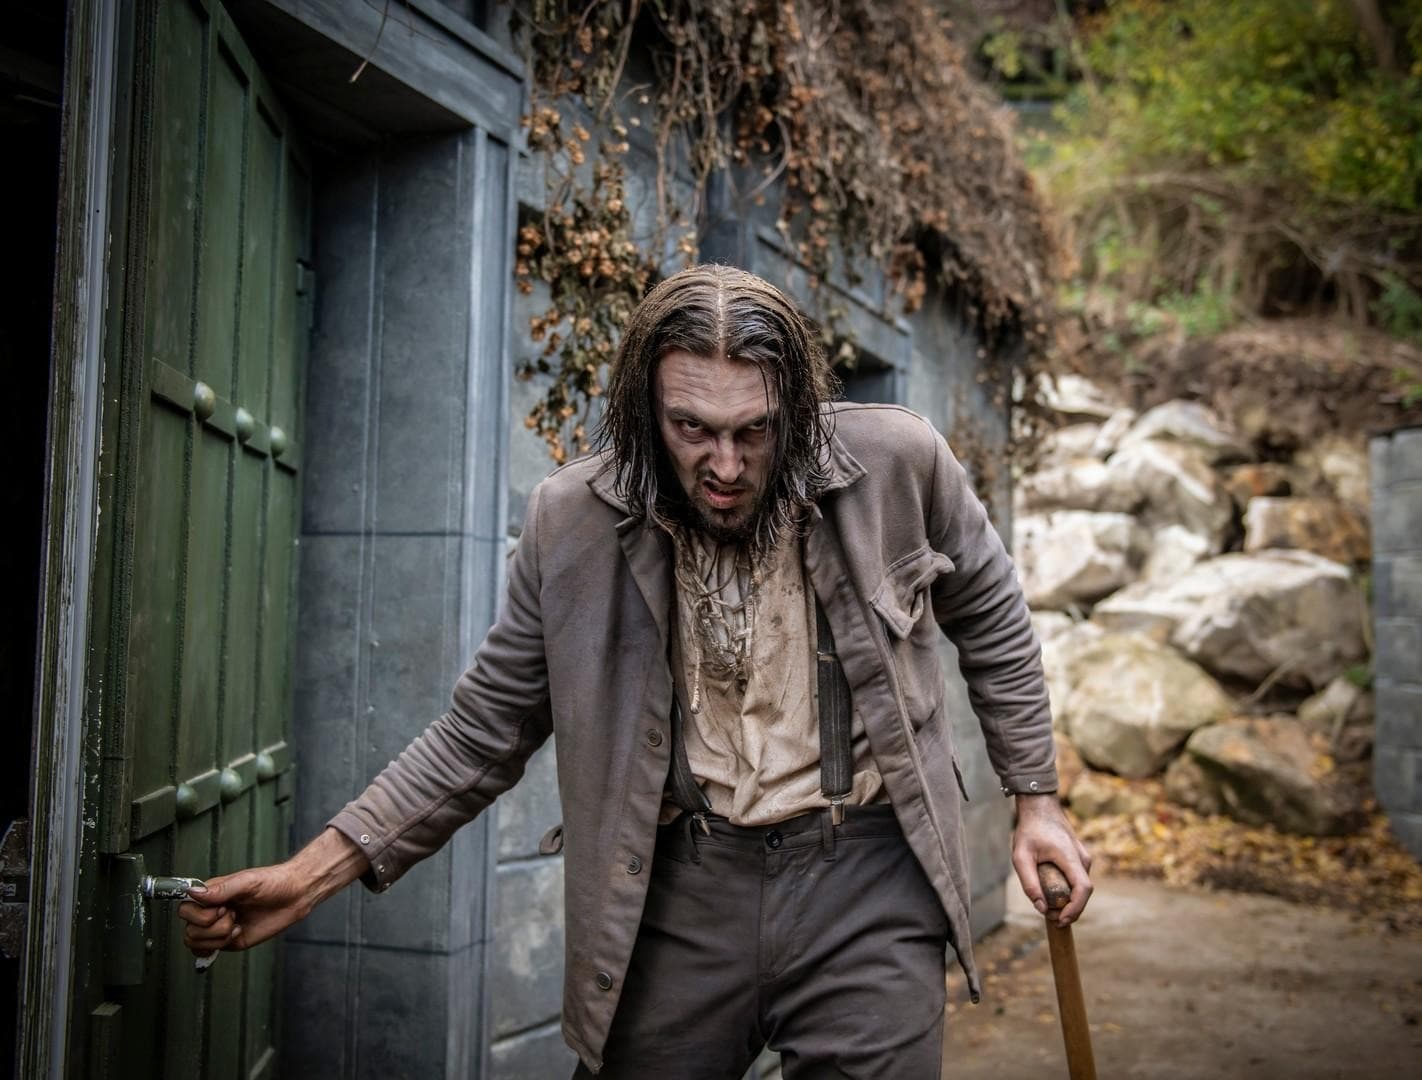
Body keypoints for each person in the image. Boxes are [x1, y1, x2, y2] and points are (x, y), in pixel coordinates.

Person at [179, 264, 1092, 1078]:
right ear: (644, 411)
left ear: (797, 410)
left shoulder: (897, 463)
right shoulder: (569, 522)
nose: (725, 465)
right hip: (677, 886)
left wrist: (1036, 800)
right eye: (692, 428)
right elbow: (480, 732)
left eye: (756, 430)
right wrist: (309, 876)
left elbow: (993, 614)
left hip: (867, 874)